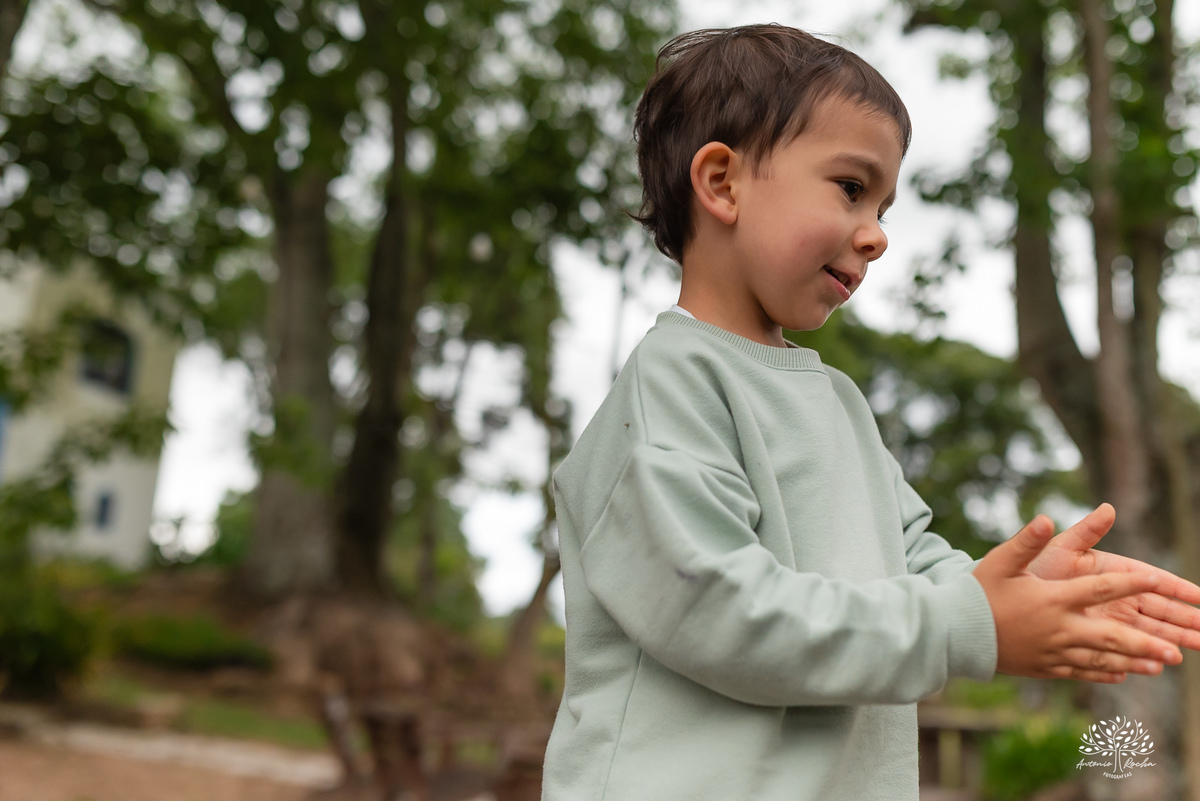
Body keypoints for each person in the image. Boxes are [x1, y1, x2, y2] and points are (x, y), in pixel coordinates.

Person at [540, 24, 1200, 801]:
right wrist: (966, 622)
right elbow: (716, 610)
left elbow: (912, 560)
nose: (878, 235)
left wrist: (1012, 585)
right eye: (852, 188)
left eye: (884, 204)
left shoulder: (836, 402)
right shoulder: (669, 386)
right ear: (721, 183)